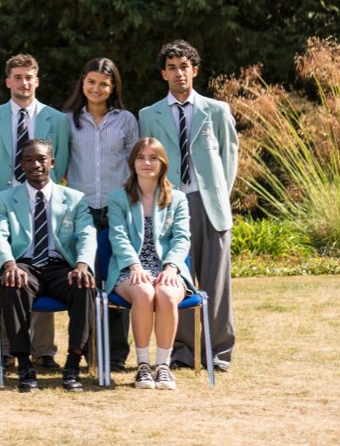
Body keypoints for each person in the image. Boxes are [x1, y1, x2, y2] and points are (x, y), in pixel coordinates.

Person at [137, 40, 238, 372]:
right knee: (174, 279)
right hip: (169, 206)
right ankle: (182, 351)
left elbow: (229, 158)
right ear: (163, 74)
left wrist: (218, 196)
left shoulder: (216, 110)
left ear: (194, 70)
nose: (178, 73)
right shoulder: (148, 115)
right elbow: (147, 160)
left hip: (210, 205)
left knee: (216, 282)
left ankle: (218, 352)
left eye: (184, 66)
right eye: (171, 68)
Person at [0, 53, 71, 370]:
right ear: (8, 81)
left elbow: (61, 162)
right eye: (17, 77)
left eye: (29, 77)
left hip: (44, 205)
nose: (23, 82)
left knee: (45, 267)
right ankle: (5, 349)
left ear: (37, 80)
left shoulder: (57, 119)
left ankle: (43, 349)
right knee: (5, 275)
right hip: (6, 205)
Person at [0, 140, 97, 393]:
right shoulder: (5, 199)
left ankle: (73, 364)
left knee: (84, 285)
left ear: (52, 162)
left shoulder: (74, 198)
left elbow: (87, 233)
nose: (35, 164)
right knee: (12, 284)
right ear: (21, 164)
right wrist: (9, 264)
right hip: (24, 265)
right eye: (28, 160)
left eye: (41, 159)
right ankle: (25, 365)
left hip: (60, 266)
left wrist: (82, 264)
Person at [61, 58, 140, 371]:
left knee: (118, 279)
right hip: (81, 210)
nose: (97, 88)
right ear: (83, 82)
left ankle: (116, 354)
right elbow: (59, 162)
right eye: (91, 82)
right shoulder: (67, 120)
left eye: (104, 84)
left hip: (117, 208)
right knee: (86, 283)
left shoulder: (126, 120)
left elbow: (135, 164)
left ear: (113, 87)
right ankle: (88, 351)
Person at [107, 138, 195, 390]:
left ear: (162, 163)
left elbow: (182, 238)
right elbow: (118, 236)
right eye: (141, 157)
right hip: (130, 268)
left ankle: (163, 367)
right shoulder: (118, 198)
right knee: (145, 293)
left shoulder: (177, 198)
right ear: (132, 162)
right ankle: (143, 366)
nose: (147, 163)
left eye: (153, 158)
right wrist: (134, 266)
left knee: (166, 294)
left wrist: (171, 267)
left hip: (167, 267)